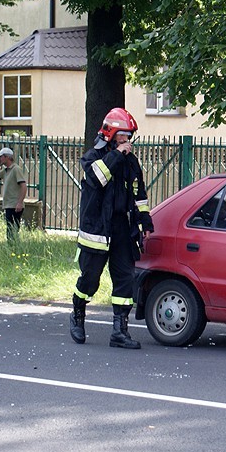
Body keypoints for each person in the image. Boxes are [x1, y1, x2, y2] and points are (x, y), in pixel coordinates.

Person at [70, 108, 154, 349]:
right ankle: (77, 313)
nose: (127, 140)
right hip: (96, 229)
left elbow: (139, 195)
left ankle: (119, 331)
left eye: (129, 136)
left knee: (125, 278)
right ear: (111, 134)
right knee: (90, 280)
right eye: (123, 136)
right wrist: (117, 154)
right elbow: (97, 179)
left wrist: (145, 222)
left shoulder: (130, 161)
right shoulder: (92, 157)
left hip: (121, 227)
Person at [0, 147, 27, 243]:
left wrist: (19, 203)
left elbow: (23, 186)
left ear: (7, 157)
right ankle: (12, 246)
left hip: (15, 205)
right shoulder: (6, 170)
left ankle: (14, 247)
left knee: (12, 230)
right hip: (8, 204)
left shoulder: (16, 169)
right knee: (9, 229)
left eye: (1, 157)